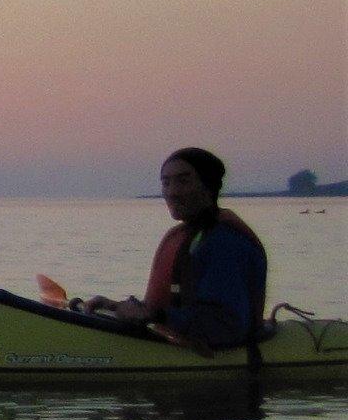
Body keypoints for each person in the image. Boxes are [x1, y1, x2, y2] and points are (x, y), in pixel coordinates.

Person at [81, 147, 268, 350]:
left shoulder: (225, 243)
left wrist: (155, 316)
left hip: (221, 352)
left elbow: (223, 327)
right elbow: (169, 308)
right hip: (176, 339)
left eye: (183, 181)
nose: (172, 192)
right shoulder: (188, 236)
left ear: (209, 186)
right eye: (166, 183)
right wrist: (115, 307)